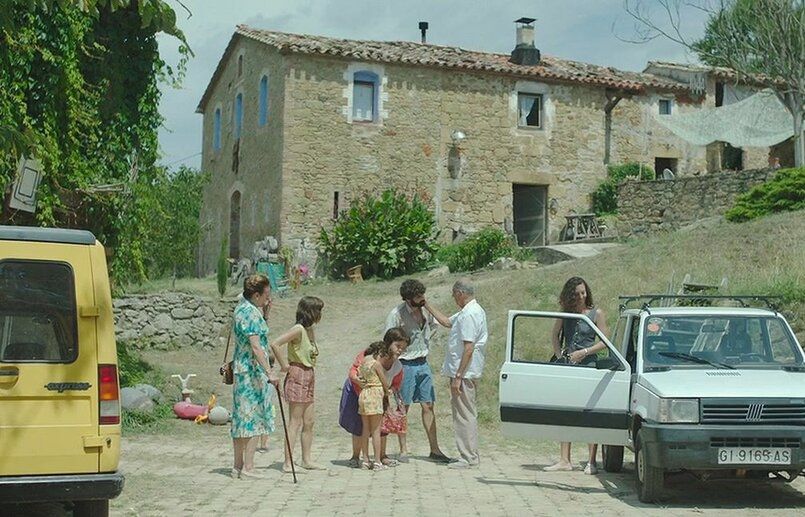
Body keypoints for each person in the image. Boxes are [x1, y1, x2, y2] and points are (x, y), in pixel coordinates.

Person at [545, 276, 610, 474]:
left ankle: (591, 461)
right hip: (568, 366)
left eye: (584, 292)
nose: (582, 296)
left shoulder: (596, 313)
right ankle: (565, 459)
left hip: (589, 365)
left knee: (589, 412)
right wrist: (560, 356)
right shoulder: (565, 313)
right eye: (577, 293)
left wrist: (585, 352)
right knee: (566, 411)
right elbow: (554, 335)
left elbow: (605, 341)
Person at [385, 279, 452, 463]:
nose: (422, 298)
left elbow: (434, 326)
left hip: (423, 362)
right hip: (405, 364)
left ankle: (435, 449)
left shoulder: (425, 310)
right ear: (408, 298)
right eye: (418, 296)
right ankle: (403, 449)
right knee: (403, 406)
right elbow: (388, 339)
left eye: (422, 294)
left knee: (428, 405)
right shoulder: (396, 314)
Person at [428, 278, 488, 469]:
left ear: (460, 293)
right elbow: (447, 322)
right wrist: (426, 304)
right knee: (464, 412)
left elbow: (468, 348)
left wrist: (458, 376)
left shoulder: (470, 314)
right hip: (465, 371)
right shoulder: (468, 311)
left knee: (464, 414)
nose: (454, 298)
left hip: (464, 372)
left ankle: (468, 456)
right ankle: (469, 454)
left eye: (454, 294)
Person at [230, 274, 279, 480]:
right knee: (253, 417)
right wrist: (269, 372)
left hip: (241, 369)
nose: (268, 299)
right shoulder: (250, 313)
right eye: (266, 295)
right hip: (251, 372)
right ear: (256, 295)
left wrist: (265, 314)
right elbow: (256, 347)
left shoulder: (242, 308)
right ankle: (248, 467)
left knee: (241, 418)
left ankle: (237, 465)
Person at [339, 328, 409, 468]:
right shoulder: (370, 356)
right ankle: (356, 456)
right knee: (358, 425)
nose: (400, 350)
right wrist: (357, 380)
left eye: (403, 347)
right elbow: (353, 371)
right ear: (389, 343)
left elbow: (396, 384)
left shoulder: (397, 366)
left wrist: (389, 392)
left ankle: (381, 456)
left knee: (382, 428)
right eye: (398, 346)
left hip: (378, 396)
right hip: (358, 392)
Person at [271, 296, 325, 472]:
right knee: (295, 421)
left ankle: (306, 459)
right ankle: (288, 462)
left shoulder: (309, 330)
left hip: (309, 373)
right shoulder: (298, 330)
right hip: (298, 373)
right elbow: (275, 344)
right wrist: (284, 366)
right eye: (318, 310)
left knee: (309, 421)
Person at [358, 341, 394, 470]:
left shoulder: (363, 363)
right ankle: (378, 461)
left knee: (365, 429)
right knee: (376, 430)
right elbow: (384, 382)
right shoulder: (376, 364)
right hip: (375, 395)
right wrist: (388, 390)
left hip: (364, 394)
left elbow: (360, 377)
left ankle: (365, 460)